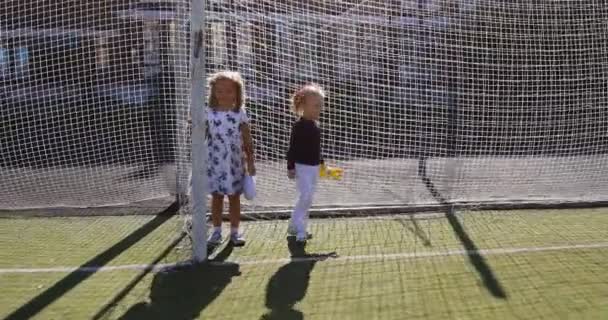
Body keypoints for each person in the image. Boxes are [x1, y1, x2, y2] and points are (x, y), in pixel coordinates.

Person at [205, 71, 255, 247]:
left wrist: (251, 161)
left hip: (234, 162)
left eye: (228, 91)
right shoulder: (208, 113)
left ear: (237, 92)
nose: (224, 95)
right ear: (213, 92)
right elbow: (201, 136)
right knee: (216, 197)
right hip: (214, 162)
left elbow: (247, 139)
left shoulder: (239, 113)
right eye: (219, 91)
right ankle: (216, 231)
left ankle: (235, 231)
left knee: (234, 197)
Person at [286, 83, 326, 243]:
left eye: (321, 106)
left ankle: (299, 226)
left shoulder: (316, 126)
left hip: (314, 167)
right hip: (301, 167)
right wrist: (290, 166)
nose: (319, 109)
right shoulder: (298, 126)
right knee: (305, 195)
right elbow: (292, 148)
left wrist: (322, 164)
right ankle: (298, 227)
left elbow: (317, 149)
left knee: (308, 198)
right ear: (303, 106)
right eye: (316, 106)